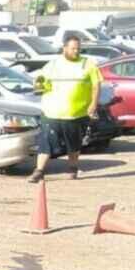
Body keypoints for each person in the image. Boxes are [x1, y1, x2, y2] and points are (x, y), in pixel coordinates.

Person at [30, 34, 102, 182]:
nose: (76, 51)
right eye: (73, 48)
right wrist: (38, 84)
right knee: (46, 143)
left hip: (76, 114)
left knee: (74, 145)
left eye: (78, 49)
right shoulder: (53, 64)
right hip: (52, 113)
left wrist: (93, 104)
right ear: (64, 48)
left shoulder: (88, 64)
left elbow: (96, 85)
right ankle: (39, 171)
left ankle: (72, 169)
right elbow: (40, 81)